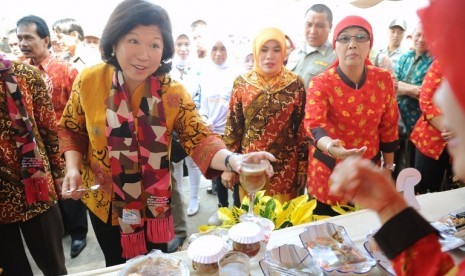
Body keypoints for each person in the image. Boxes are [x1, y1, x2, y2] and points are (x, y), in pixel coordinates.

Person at [58, 0, 275, 266]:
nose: (144, 55)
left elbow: (201, 140)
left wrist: (234, 160)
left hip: (155, 206)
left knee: (156, 265)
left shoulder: (173, 92)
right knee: (116, 264)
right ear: (114, 42)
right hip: (105, 203)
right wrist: (72, 168)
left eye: (154, 45)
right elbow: (72, 127)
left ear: (164, 49)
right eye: (134, 41)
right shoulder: (89, 80)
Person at [329, 1, 465, 273]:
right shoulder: (325, 81)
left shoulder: (380, 77)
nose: (441, 97)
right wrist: (389, 206)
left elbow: (391, 122)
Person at [304, 15, 399, 216]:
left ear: (370, 44)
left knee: (364, 231)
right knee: (326, 236)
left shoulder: (383, 79)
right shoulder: (321, 82)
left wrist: (388, 168)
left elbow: (389, 126)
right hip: (328, 172)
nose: (352, 44)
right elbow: (313, 124)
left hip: (368, 169)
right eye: (345, 38)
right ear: (335, 45)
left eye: (360, 37)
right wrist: (331, 146)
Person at [15, 15, 84, 259]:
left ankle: (79, 234)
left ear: (45, 40)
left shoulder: (67, 70)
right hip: (36, 148)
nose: (23, 43)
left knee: (71, 187)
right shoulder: (17, 74)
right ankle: (63, 229)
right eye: (19, 37)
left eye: (28, 37)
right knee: (51, 192)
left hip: (65, 143)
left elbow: (79, 110)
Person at [222, 27, 307, 205]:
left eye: (277, 50)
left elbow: (301, 128)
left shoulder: (295, 83)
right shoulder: (242, 83)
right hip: (249, 164)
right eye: (264, 49)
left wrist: (302, 167)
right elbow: (233, 126)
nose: (270, 56)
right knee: (251, 219)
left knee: (284, 221)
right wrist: (228, 166)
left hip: (285, 166)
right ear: (255, 51)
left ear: (284, 52)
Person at [0, 54, 67, 275]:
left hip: (36, 186)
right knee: (12, 269)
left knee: (54, 266)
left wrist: (58, 173)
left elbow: (49, 129)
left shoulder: (25, 74)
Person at [166, 31, 202, 253]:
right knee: (174, 171)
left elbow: (201, 96)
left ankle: (195, 198)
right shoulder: (166, 70)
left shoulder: (198, 69)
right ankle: (182, 201)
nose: (182, 48)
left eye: (186, 43)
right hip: (169, 132)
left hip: (192, 124)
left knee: (193, 163)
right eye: (178, 43)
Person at [199, 35, 240, 225]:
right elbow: (204, 108)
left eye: (222, 49)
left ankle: (239, 212)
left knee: (236, 173)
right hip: (214, 133)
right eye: (214, 48)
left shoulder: (237, 74)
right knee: (218, 178)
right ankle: (223, 211)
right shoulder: (206, 75)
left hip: (234, 133)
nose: (218, 53)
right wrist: (205, 119)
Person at [394, 22, 433, 178]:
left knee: (415, 171)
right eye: (418, 35)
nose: (421, 39)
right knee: (396, 166)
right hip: (398, 124)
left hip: (421, 127)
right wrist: (414, 89)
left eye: (427, 35)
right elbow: (392, 84)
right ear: (412, 36)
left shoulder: (434, 62)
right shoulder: (405, 57)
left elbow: (426, 93)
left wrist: (403, 87)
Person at [410, 59, 453, 194]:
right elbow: (426, 100)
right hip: (431, 142)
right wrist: (450, 129)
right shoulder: (442, 62)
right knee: (424, 193)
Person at [286, 3, 336, 89]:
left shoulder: (335, 58)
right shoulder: (294, 53)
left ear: (330, 27)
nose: (313, 31)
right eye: (309, 25)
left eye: (320, 26)